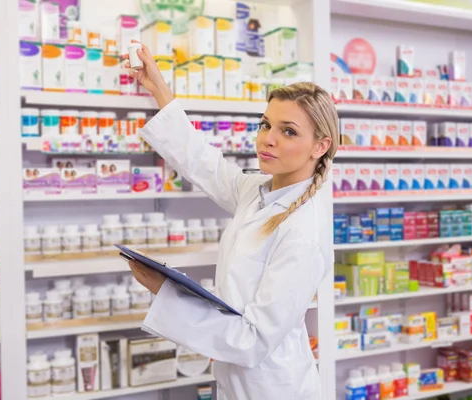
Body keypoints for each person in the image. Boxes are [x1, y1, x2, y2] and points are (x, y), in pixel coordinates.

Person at [123, 41, 338, 400]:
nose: (267, 139)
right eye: (266, 124)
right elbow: (203, 163)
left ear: (320, 146)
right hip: (237, 383)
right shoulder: (257, 191)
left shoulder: (304, 233)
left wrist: (167, 293)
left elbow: (253, 340)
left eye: (288, 131)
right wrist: (158, 87)